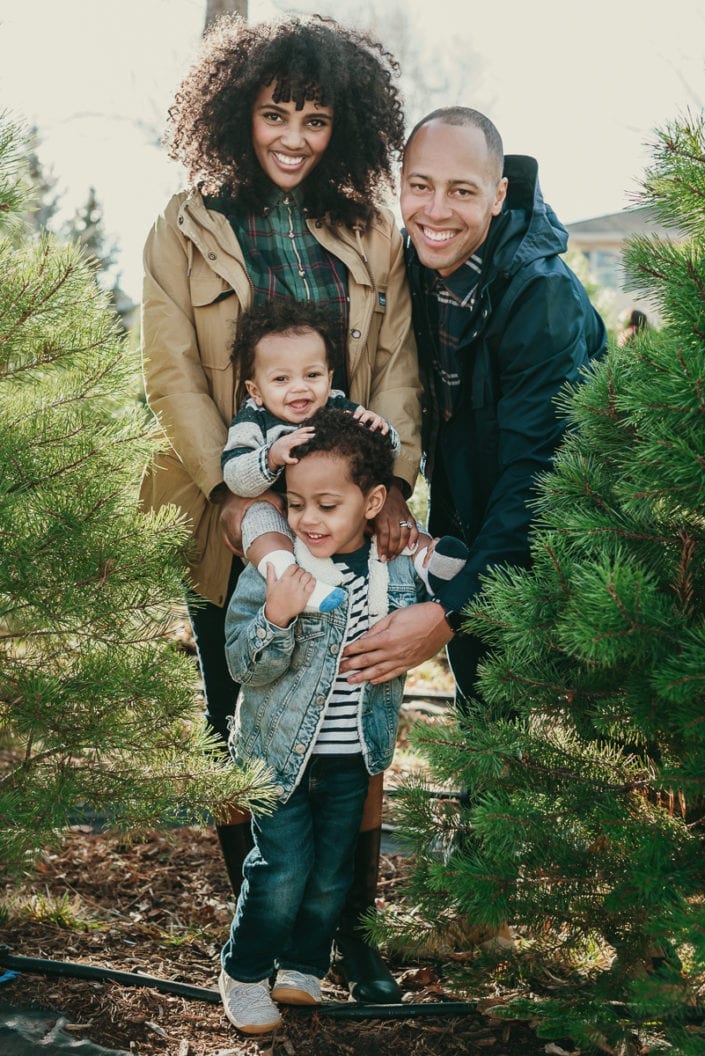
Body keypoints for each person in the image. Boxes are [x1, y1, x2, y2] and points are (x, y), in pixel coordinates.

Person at [139, 15, 421, 1003]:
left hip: (349, 519)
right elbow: (174, 378)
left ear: (342, 126)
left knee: (357, 726)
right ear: (236, 114)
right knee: (245, 726)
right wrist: (232, 495)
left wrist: (387, 489)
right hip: (240, 522)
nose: (293, 137)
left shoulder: (371, 229)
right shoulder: (183, 227)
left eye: (313, 118)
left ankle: (350, 938)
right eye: (273, 115)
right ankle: (253, 939)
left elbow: (396, 373)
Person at [340, 106, 607, 703]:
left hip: (562, 538)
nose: (435, 211)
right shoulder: (403, 268)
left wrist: (449, 612)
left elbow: (540, 472)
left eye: (461, 191)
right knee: (480, 714)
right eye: (420, 186)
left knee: (547, 723)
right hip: (462, 518)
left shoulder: (542, 299)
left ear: (497, 194)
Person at [218, 408, 427, 1034]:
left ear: (372, 503)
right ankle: (245, 971)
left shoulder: (391, 571)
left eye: (327, 505)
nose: (307, 520)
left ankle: (304, 966)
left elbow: (417, 624)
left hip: (350, 757)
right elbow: (242, 665)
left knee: (332, 871)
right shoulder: (280, 570)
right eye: (296, 503)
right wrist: (277, 620)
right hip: (277, 757)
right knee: (279, 871)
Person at [222, 299, 468, 609]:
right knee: (257, 520)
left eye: (312, 375)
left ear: (329, 376)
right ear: (255, 390)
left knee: (374, 505)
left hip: (337, 509)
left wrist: (383, 432)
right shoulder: (253, 421)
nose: (299, 388)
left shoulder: (339, 406)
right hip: (285, 511)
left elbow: (378, 455)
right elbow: (234, 476)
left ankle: (425, 559)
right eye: (281, 379)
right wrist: (270, 457)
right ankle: (288, 577)